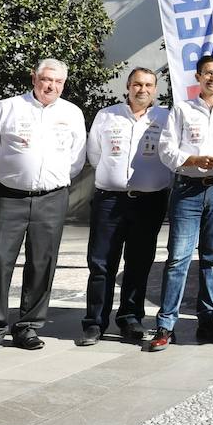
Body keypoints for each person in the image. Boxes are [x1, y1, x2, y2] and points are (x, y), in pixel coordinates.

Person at [0, 59, 86, 357]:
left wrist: (52, 180)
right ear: (34, 78)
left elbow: (76, 158)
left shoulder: (72, 113)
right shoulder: (7, 107)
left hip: (52, 198)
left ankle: (28, 326)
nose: (51, 86)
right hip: (9, 197)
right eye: (46, 79)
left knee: (43, 263)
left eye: (58, 82)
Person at [148, 54, 213, 351]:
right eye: (208, 73)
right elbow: (166, 150)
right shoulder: (181, 110)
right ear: (198, 77)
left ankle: (207, 321)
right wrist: (192, 159)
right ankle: (165, 325)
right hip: (188, 190)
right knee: (179, 258)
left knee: (212, 258)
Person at [77, 67, 172, 346]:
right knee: (101, 263)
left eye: (148, 85)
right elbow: (94, 154)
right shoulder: (107, 115)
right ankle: (95, 322)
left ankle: (130, 318)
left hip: (150, 201)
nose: (142, 90)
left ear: (155, 89)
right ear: (128, 87)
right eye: (137, 84)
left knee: (139, 262)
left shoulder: (165, 117)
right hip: (110, 199)